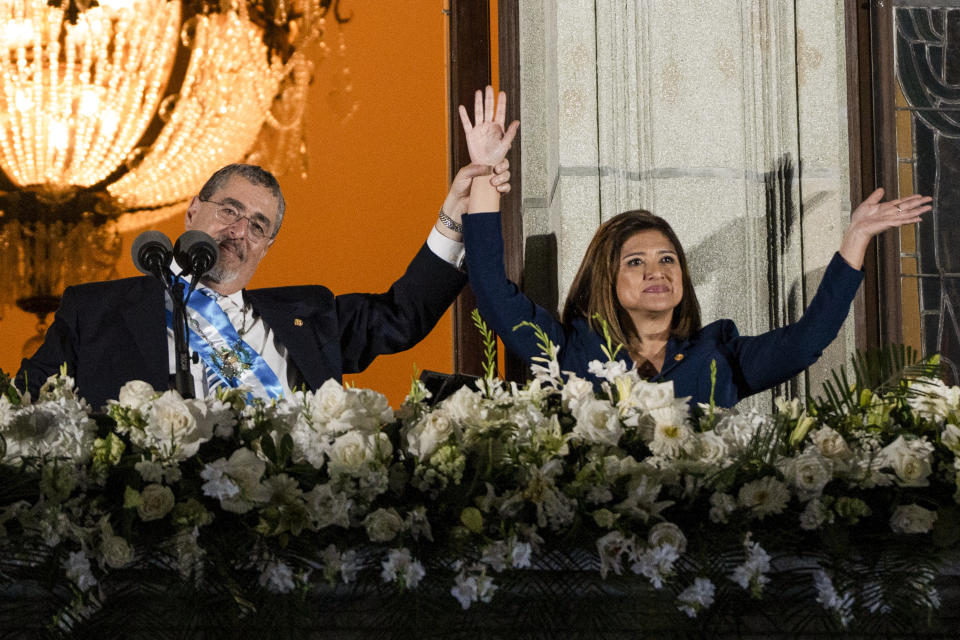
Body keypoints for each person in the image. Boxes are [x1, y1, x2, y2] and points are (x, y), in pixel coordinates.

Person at [16, 98, 517, 410]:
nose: (239, 231)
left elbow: (402, 314)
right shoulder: (95, 310)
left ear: (268, 245)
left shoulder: (310, 316)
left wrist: (456, 211)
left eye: (258, 225)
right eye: (229, 211)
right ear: (192, 212)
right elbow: (25, 407)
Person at [456, 89, 931, 407]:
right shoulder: (565, 351)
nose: (656, 271)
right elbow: (492, 291)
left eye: (667, 259)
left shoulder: (718, 355)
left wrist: (856, 238)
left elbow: (806, 342)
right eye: (635, 262)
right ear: (608, 280)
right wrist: (484, 177)